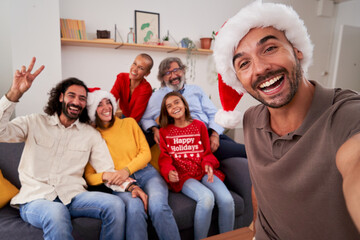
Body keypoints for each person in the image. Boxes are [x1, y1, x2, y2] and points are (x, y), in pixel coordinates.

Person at [213, 2, 360, 240]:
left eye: (269, 48)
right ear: (239, 80)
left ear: (297, 49)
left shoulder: (347, 114)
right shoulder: (251, 120)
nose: (259, 69)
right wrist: (254, 226)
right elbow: (260, 187)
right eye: (244, 63)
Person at [0, 57, 127, 240]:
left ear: (85, 105)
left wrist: (130, 187)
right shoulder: (35, 122)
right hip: (37, 199)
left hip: (74, 196)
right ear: (61, 97)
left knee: (115, 205)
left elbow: (107, 170)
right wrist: (14, 93)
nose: (77, 101)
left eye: (82, 99)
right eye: (72, 96)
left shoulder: (90, 135)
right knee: (56, 211)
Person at [84, 88, 181, 240]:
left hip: (147, 174)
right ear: (92, 110)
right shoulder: (93, 137)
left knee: (158, 207)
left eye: (108, 102)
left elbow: (146, 154)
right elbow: (89, 176)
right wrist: (107, 175)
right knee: (135, 210)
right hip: (121, 185)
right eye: (99, 104)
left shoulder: (129, 123)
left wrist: (126, 170)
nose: (106, 108)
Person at [158, 91, 234, 240]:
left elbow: (207, 153)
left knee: (227, 200)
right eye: (169, 106)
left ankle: (228, 237)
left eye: (177, 102)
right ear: (166, 111)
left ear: (184, 105)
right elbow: (164, 158)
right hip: (184, 176)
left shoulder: (199, 126)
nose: (174, 107)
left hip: (204, 172)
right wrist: (169, 171)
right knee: (206, 198)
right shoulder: (164, 131)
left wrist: (208, 165)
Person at [140, 57, 246, 161]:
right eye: (167, 73)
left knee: (245, 150)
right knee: (245, 152)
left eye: (176, 70)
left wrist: (215, 134)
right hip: (193, 140)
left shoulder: (196, 90)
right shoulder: (158, 96)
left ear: (183, 70)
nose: (173, 76)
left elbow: (213, 114)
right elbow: (145, 119)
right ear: (162, 78)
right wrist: (155, 130)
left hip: (210, 132)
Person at [110, 53, 153, 122]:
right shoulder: (121, 78)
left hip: (140, 120)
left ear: (147, 73)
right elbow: (111, 99)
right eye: (134, 64)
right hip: (125, 115)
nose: (135, 69)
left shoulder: (146, 89)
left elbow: (134, 118)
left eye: (141, 68)